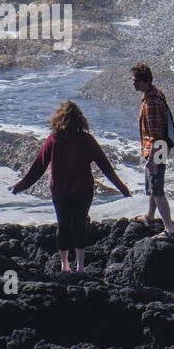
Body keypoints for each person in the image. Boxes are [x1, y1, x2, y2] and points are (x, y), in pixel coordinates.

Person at [10, 101, 131, 274]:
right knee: (80, 225)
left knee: (63, 226)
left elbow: (38, 168)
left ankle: (64, 265)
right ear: (80, 120)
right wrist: (122, 188)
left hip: (60, 192)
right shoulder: (87, 140)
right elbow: (106, 167)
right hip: (83, 191)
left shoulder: (53, 140)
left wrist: (19, 186)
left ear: (58, 119)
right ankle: (81, 267)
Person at [131, 62, 174, 238]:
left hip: (156, 149)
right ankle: (150, 216)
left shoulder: (151, 102)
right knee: (153, 185)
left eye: (135, 81)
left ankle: (169, 229)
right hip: (161, 147)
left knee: (157, 190)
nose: (132, 83)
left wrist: (151, 159)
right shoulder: (154, 94)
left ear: (145, 81)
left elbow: (155, 133)